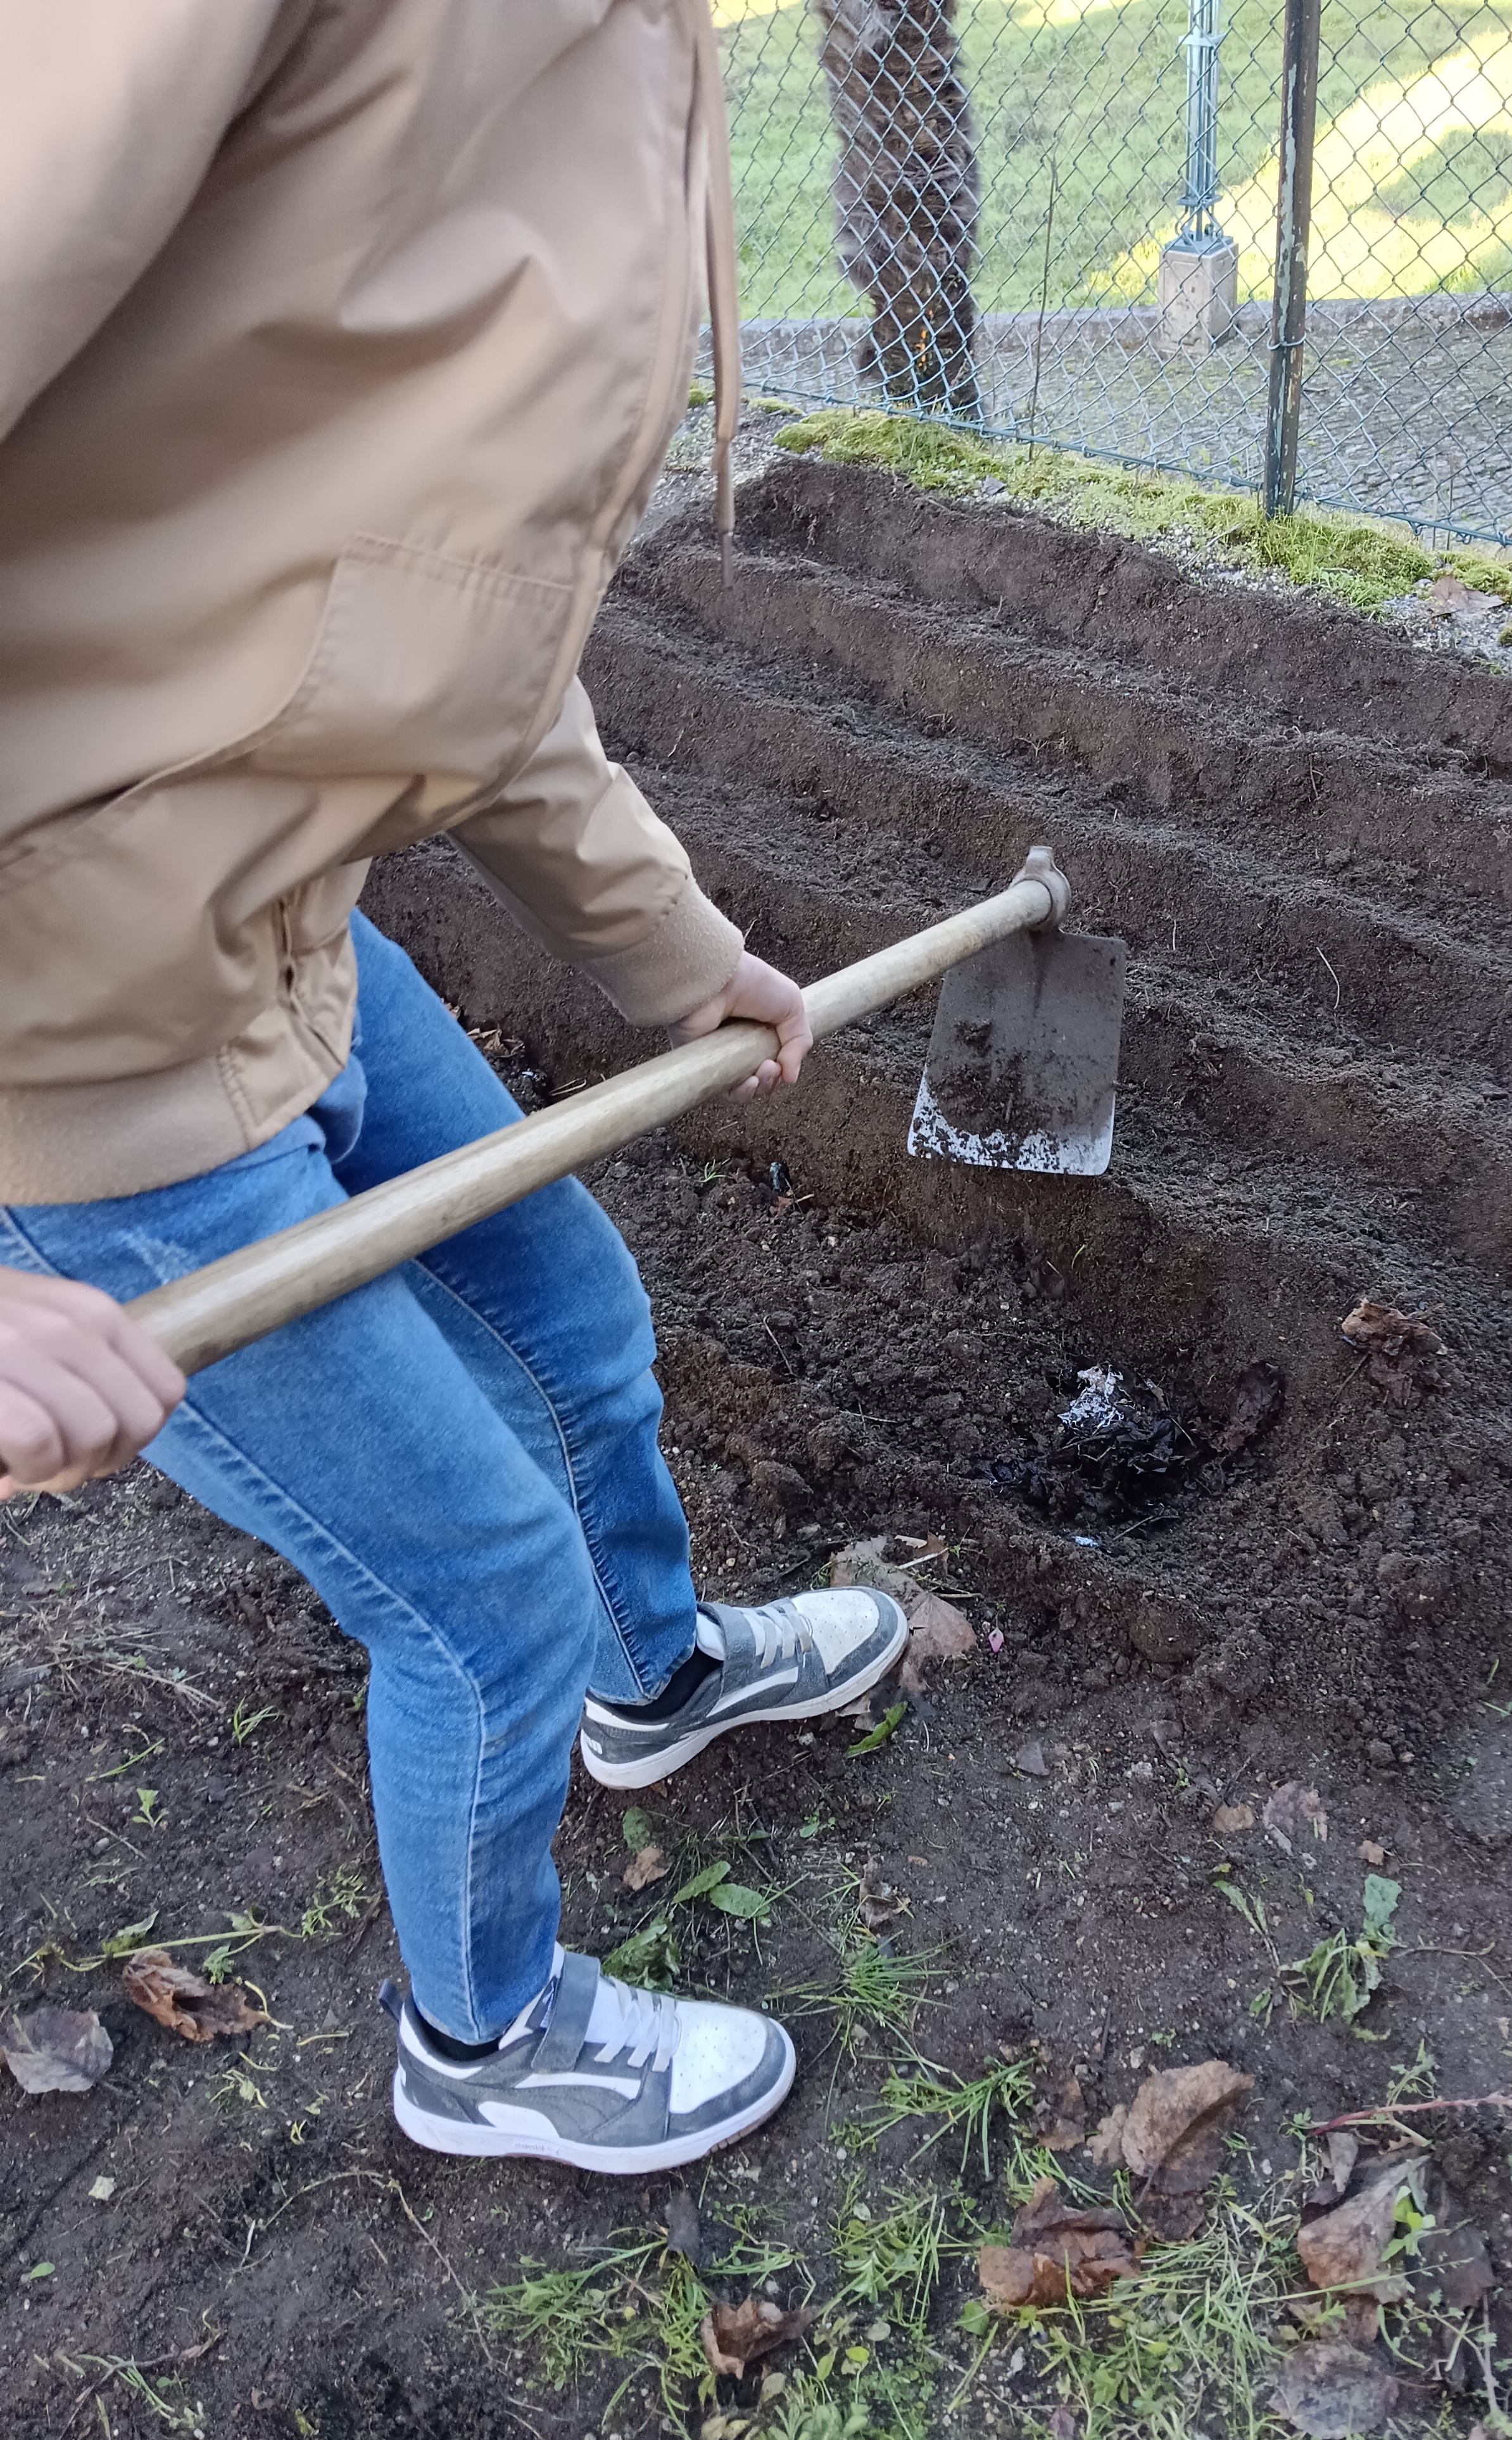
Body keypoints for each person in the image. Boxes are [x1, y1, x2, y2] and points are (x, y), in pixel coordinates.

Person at [0, 0, 909, 2175]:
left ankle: (657, 1677)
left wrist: (674, 956)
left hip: (274, 921)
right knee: (471, 1587)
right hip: (65, 1049)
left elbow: (457, 622)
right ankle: (485, 2039)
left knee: (573, 1314)